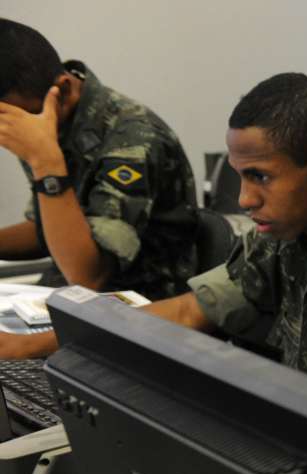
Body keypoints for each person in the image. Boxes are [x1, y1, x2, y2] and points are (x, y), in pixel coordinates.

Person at [0, 73, 307, 446]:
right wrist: (34, 347)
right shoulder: (282, 238)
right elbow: (191, 311)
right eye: (239, 177)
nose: (246, 199)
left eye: (261, 177)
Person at [0, 19, 196, 299]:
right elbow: (46, 230)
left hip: (142, 307)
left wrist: (46, 163)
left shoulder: (135, 140)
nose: (9, 132)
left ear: (64, 91)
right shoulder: (46, 118)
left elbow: (87, 276)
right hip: (66, 294)